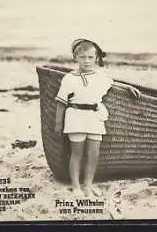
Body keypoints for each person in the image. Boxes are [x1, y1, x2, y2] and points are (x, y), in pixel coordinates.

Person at [54, 38, 141, 198]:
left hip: (95, 117)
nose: (86, 61)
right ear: (75, 57)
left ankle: (88, 184)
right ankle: (76, 186)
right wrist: (59, 123)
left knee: (94, 154)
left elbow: (114, 84)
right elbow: (61, 102)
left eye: (90, 57)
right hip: (75, 117)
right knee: (76, 154)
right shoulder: (69, 78)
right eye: (82, 57)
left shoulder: (101, 76)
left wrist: (129, 87)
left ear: (96, 58)